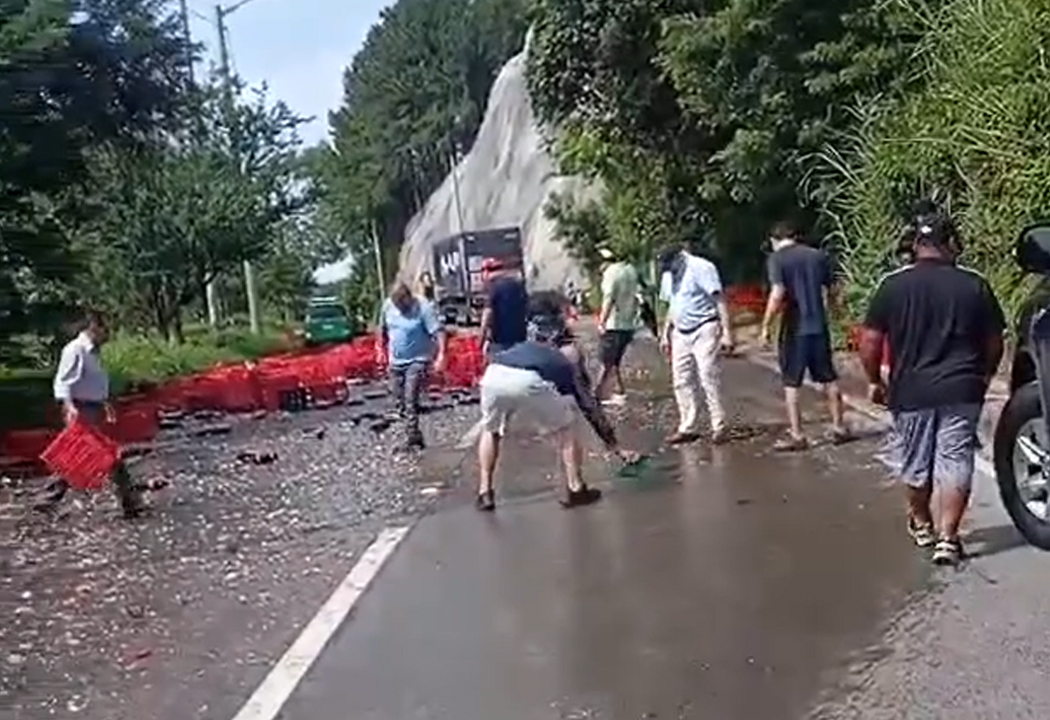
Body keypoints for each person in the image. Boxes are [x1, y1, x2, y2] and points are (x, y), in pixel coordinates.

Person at [859, 209, 1005, 566]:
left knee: (915, 462)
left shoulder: (892, 285)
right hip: (962, 388)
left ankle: (922, 523)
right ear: (951, 243)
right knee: (956, 461)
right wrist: (984, 375)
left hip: (911, 391)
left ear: (916, 245)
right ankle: (948, 538)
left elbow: (870, 340)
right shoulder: (974, 284)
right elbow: (994, 340)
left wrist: (874, 381)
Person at [475, 310, 639, 511]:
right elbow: (587, 404)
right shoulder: (564, 358)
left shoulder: (523, 346)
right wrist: (613, 445)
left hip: (494, 374)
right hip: (527, 380)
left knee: (491, 430)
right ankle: (576, 488)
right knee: (566, 431)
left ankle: (485, 492)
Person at [34, 310, 145, 518]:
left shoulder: (92, 352)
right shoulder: (76, 350)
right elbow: (63, 382)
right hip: (80, 410)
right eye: (106, 329)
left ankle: (47, 500)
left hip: (92, 408)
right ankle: (130, 502)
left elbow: (92, 383)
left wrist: (105, 403)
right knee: (104, 456)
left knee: (84, 456)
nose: (109, 334)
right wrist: (70, 408)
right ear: (94, 327)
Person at [759, 220, 849, 451]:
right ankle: (839, 428)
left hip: (794, 329)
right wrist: (837, 316)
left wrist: (766, 326)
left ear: (774, 240)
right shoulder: (818, 256)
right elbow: (834, 290)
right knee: (829, 378)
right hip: (819, 327)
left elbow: (778, 293)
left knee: (792, 382)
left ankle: (798, 435)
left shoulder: (777, 259)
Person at [659, 239, 735, 445]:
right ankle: (687, 426)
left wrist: (727, 332)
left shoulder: (701, 268)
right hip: (680, 331)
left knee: (707, 375)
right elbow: (673, 305)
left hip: (705, 327)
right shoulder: (668, 274)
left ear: (679, 257)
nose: (668, 270)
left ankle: (719, 425)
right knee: (681, 380)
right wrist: (666, 332)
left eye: (670, 265)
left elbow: (719, 299)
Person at [378, 282, 447, 450]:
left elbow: (438, 331)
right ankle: (412, 432)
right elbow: (382, 330)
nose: (400, 308)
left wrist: (441, 355)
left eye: (402, 304)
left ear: (408, 298)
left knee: (410, 398)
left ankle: (412, 435)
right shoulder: (387, 306)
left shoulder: (423, 307)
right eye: (397, 305)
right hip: (396, 361)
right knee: (397, 398)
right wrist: (380, 349)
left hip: (418, 359)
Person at [596, 246, 640, 406]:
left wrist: (601, 321)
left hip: (613, 324)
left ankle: (598, 394)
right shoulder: (631, 270)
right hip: (628, 324)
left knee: (606, 360)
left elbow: (609, 298)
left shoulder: (611, 273)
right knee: (615, 360)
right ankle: (618, 391)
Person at [480, 257, 528, 357]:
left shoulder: (494, 288)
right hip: (520, 339)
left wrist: (481, 339)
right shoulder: (518, 286)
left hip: (501, 342)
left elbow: (487, 315)